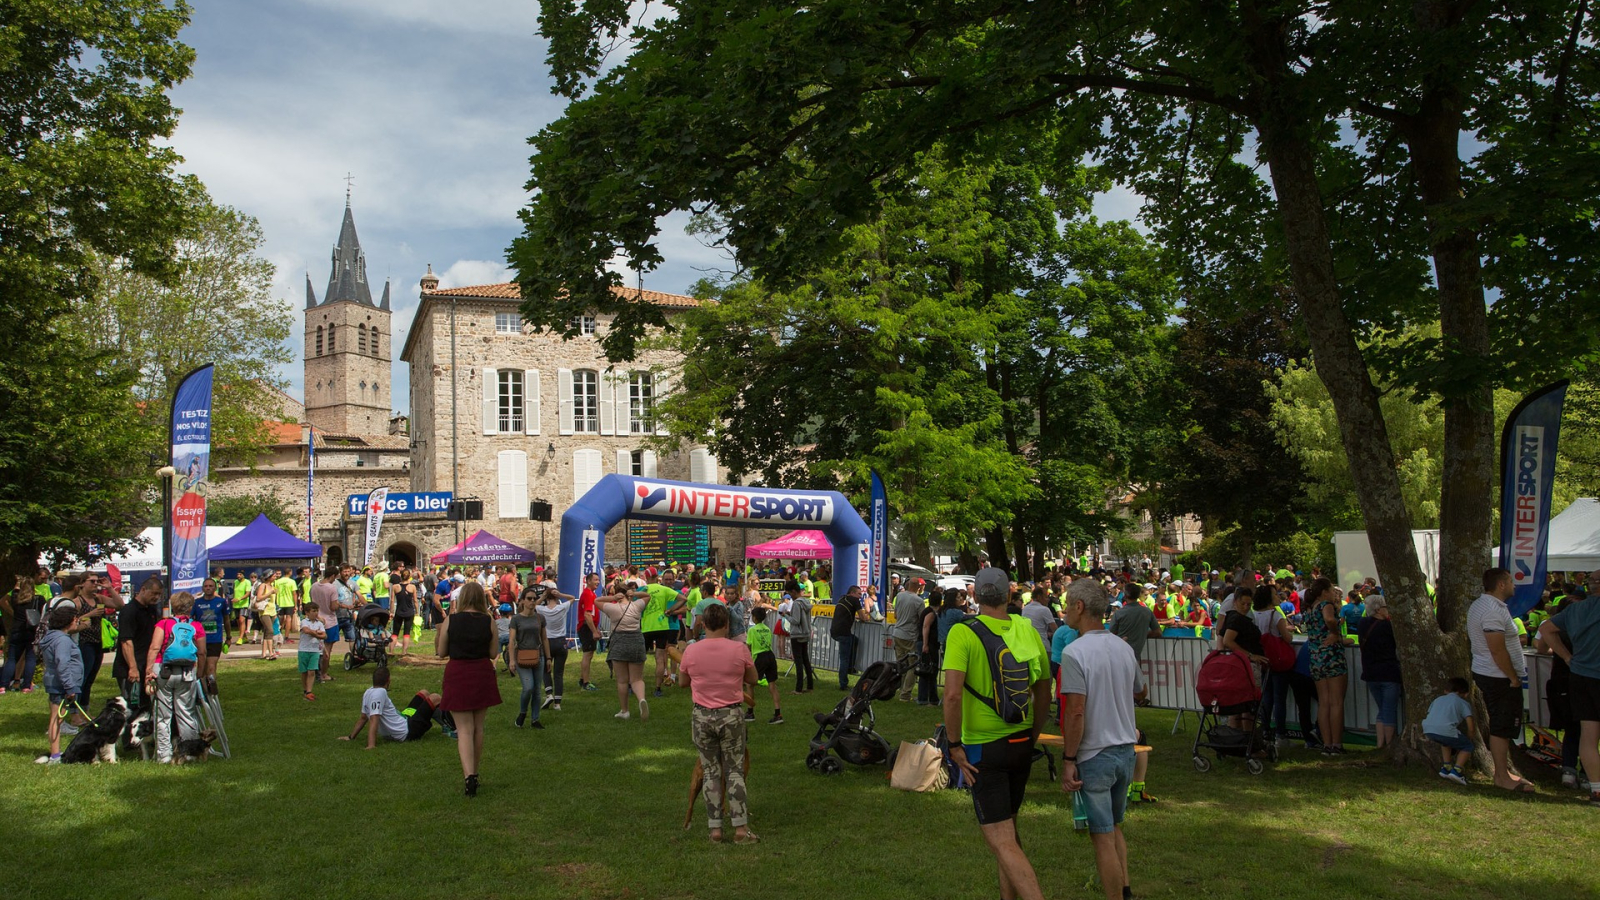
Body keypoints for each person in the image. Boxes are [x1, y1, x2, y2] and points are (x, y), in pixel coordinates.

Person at [943, 568, 1051, 900]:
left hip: (982, 749)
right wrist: (1033, 734)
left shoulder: (963, 632)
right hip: (1020, 742)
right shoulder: (1026, 629)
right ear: (1008, 596)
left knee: (1001, 840)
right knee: (1009, 832)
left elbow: (952, 695)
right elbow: (1044, 689)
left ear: (974, 596)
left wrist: (954, 744)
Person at [1059, 577, 1144, 900]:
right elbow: (1141, 690)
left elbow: (1076, 712)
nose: (1065, 611)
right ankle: (1125, 890)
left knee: (1102, 836)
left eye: (1067, 605)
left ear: (1080, 608)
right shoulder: (1122, 647)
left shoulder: (1074, 652)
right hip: (1125, 749)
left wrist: (1069, 760)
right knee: (1115, 827)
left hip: (1096, 753)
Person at [678, 602, 759, 844]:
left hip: (702, 716)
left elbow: (683, 682)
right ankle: (741, 829)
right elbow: (753, 678)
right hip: (731, 715)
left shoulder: (691, 651)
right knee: (734, 772)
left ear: (702, 624)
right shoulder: (740, 649)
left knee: (711, 771)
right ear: (727, 624)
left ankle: (715, 829)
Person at [1536, 568, 1600, 805]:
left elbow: (1545, 629)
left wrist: (1566, 657)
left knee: (1588, 733)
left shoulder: (1574, 609)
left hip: (1580, 675)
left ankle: (1596, 789)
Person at [1467, 567, 1534, 792]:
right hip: (1498, 676)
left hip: (1494, 673)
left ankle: (1503, 772)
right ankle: (1501, 776)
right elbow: (1497, 649)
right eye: (1511, 582)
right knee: (1502, 725)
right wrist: (1513, 677)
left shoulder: (1484, 605)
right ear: (1501, 585)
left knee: (1503, 725)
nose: (1515, 586)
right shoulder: (1490, 610)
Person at [437, 581, 501, 797]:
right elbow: (493, 653)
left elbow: (441, 651)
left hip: (458, 671)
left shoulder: (451, 620)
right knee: (478, 727)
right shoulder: (488, 620)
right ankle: (476, 772)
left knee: (463, 729)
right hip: (481, 672)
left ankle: (469, 775)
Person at [143, 591, 207, 765]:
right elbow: (202, 652)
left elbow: (154, 648)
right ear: (190, 607)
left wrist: (149, 671)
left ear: (173, 606)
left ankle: (163, 754)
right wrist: (199, 673)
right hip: (187, 672)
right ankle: (190, 752)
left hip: (163, 670)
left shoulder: (163, 624)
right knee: (186, 712)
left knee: (163, 715)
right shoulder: (197, 626)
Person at [1303, 577, 1351, 756]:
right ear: (1324, 592)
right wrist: (1335, 632)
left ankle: (1327, 744)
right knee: (1337, 702)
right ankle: (1337, 744)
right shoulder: (1325, 605)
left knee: (1324, 703)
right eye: (1331, 590)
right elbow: (1329, 619)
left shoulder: (1309, 608)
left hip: (1315, 657)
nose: (1333, 594)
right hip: (1332, 657)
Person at [338, 666, 441, 747]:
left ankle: (443, 723)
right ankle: (453, 728)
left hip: (404, 720)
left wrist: (351, 737)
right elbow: (374, 719)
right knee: (435, 698)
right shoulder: (380, 692)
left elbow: (363, 718)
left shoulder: (368, 692)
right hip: (408, 731)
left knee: (423, 693)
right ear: (388, 680)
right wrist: (371, 745)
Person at [35, 605, 83, 764]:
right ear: (69, 621)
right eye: (76, 619)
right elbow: (62, 664)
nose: (78, 622)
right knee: (56, 720)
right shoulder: (62, 640)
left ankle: (55, 753)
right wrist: (69, 687)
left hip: (56, 682)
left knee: (56, 719)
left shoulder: (53, 637)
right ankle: (55, 756)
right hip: (61, 685)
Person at [1356, 595, 1403, 750]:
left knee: (1382, 709)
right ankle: (1389, 744)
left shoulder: (1362, 624)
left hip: (1370, 672)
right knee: (1389, 709)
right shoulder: (1388, 627)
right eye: (1385, 607)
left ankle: (1379, 744)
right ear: (1378, 609)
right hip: (1389, 672)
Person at [599, 584, 650, 720]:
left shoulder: (612, 608)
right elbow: (647, 596)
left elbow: (597, 601)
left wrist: (612, 598)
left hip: (619, 642)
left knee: (622, 680)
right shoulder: (637, 606)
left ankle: (624, 710)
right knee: (637, 679)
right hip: (636, 640)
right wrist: (634, 594)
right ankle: (641, 699)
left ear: (616, 593)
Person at [1420, 676, 1476, 785]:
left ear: (1446, 690)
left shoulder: (1438, 699)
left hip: (1428, 729)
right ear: (1465, 693)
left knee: (1445, 742)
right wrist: (1470, 734)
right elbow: (1469, 721)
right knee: (1468, 746)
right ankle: (1457, 770)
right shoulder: (1463, 703)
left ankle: (1446, 767)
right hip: (1446, 730)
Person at [641, 571, 681, 696]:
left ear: (646, 577)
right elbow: (684, 599)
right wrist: (670, 610)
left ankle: (635, 685)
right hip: (662, 626)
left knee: (640, 659)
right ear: (658, 578)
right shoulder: (664, 590)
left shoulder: (643, 589)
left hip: (646, 627)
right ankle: (657, 689)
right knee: (659, 659)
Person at [510, 594, 547, 729]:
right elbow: (511, 641)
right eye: (529, 598)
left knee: (537, 690)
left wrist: (548, 658)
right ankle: (522, 712)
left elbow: (544, 639)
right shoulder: (516, 619)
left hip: (539, 655)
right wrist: (511, 660)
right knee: (528, 688)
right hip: (522, 656)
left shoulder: (539, 618)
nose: (532, 601)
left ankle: (535, 719)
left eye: (534, 599)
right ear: (523, 601)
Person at [1, 576, 42, 693]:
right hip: (31, 630)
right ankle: (26, 686)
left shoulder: (16, 598)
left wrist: (18, 582)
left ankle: (3, 686)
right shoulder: (38, 599)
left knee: (12, 658)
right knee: (30, 658)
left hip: (17, 630)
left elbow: (10, 594)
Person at [536, 587, 574, 711]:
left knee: (545, 669)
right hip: (561, 641)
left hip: (547, 641)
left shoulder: (541, 609)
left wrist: (542, 597)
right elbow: (572, 598)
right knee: (559, 673)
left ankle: (548, 694)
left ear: (546, 598)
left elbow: (532, 605)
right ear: (556, 597)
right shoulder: (562, 608)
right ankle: (557, 703)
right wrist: (560, 593)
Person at [830, 584, 871, 690]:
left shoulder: (843, 599)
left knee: (854, 640)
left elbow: (847, 613)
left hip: (835, 630)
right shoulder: (854, 600)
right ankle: (843, 683)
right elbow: (863, 617)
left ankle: (850, 667)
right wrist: (867, 618)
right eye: (859, 594)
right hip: (843, 632)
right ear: (852, 593)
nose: (860, 596)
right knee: (844, 658)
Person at [891, 578, 926, 702]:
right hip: (910, 635)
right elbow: (922, 620)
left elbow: (895, 615)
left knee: (901, 663)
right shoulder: (919, 601)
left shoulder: (900, 596)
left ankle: (900, 689)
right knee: (912, 665)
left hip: (897, 632)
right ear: (918, 587)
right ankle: (905, 694)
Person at [746, 606, 782, 724]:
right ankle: (778, 713)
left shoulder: (752, 630)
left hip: (759, 657)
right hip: (770, 656)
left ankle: (750, 712)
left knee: (749, 684)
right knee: (772, 685)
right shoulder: (767, 628)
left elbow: (749, 646)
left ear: (754, 617)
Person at [1106, 589, 1162, 664]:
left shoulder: (1119, 613)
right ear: (1138, 596)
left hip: (1119, 656)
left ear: (1125, 596)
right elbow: (1158, 632)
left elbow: (1111, 634)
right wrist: (1142, 634)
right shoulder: (1147, 611)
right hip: (1134, 657)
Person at [192, 577, 230, 682]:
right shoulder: (196, 603)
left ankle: (212, 693)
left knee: (211, 667)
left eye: (210, 586)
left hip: (215, 640)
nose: (208, 588)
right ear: (202, 588)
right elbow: (191, 620)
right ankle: (201, 695)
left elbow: (226, 620)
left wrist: (229, 637)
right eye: (206, 586)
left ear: (215, 588)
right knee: (201, 669)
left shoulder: (221, 602)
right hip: (200, 640)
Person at [782, 586, 815, 693]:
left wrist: (785, 616)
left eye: (790, 593)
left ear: (794, 591)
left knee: (799, 661)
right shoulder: (805, 601)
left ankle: (798, 688)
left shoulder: (796, 603)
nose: (790, 596)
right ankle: (810, 686)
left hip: (797, 635)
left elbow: (795, 620)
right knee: (806, 660)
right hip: (805, 633)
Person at [576, 572, 601, 691]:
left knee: (589, 654)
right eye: (595, 580)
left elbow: (592, 614)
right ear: (588, 581)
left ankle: (582, 679)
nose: (598, 582)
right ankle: (586, 682)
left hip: (589, 627)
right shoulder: (588, 594)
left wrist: (596, 629)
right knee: (587, 654)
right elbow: (587, 614)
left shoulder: (591, 594)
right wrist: (594, 631)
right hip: (586, 628)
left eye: (598, 580)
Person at [297, 601, 326, 700]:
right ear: (307, 613)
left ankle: (309, 691)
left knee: (311, 671)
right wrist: (317, 633)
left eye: (317, 611)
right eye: (313, 611)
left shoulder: (319, 623)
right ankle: (305, 690)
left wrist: (315, 633)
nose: (316, 613)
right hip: (304, 649)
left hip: (315, 650)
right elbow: (306, 630)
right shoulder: (304, 621)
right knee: (304, 671)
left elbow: (325, 635)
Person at [390, 564, 418, 656]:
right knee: (406, 633)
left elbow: (392, 600)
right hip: (409, 612)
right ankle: (404, 652)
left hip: (399, 611)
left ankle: (391, 652)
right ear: (409, 576)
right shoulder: (412, 587)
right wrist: (417, 612)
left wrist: (391, 612)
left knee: (395, 633)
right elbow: (415, 601)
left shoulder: (395, 587)